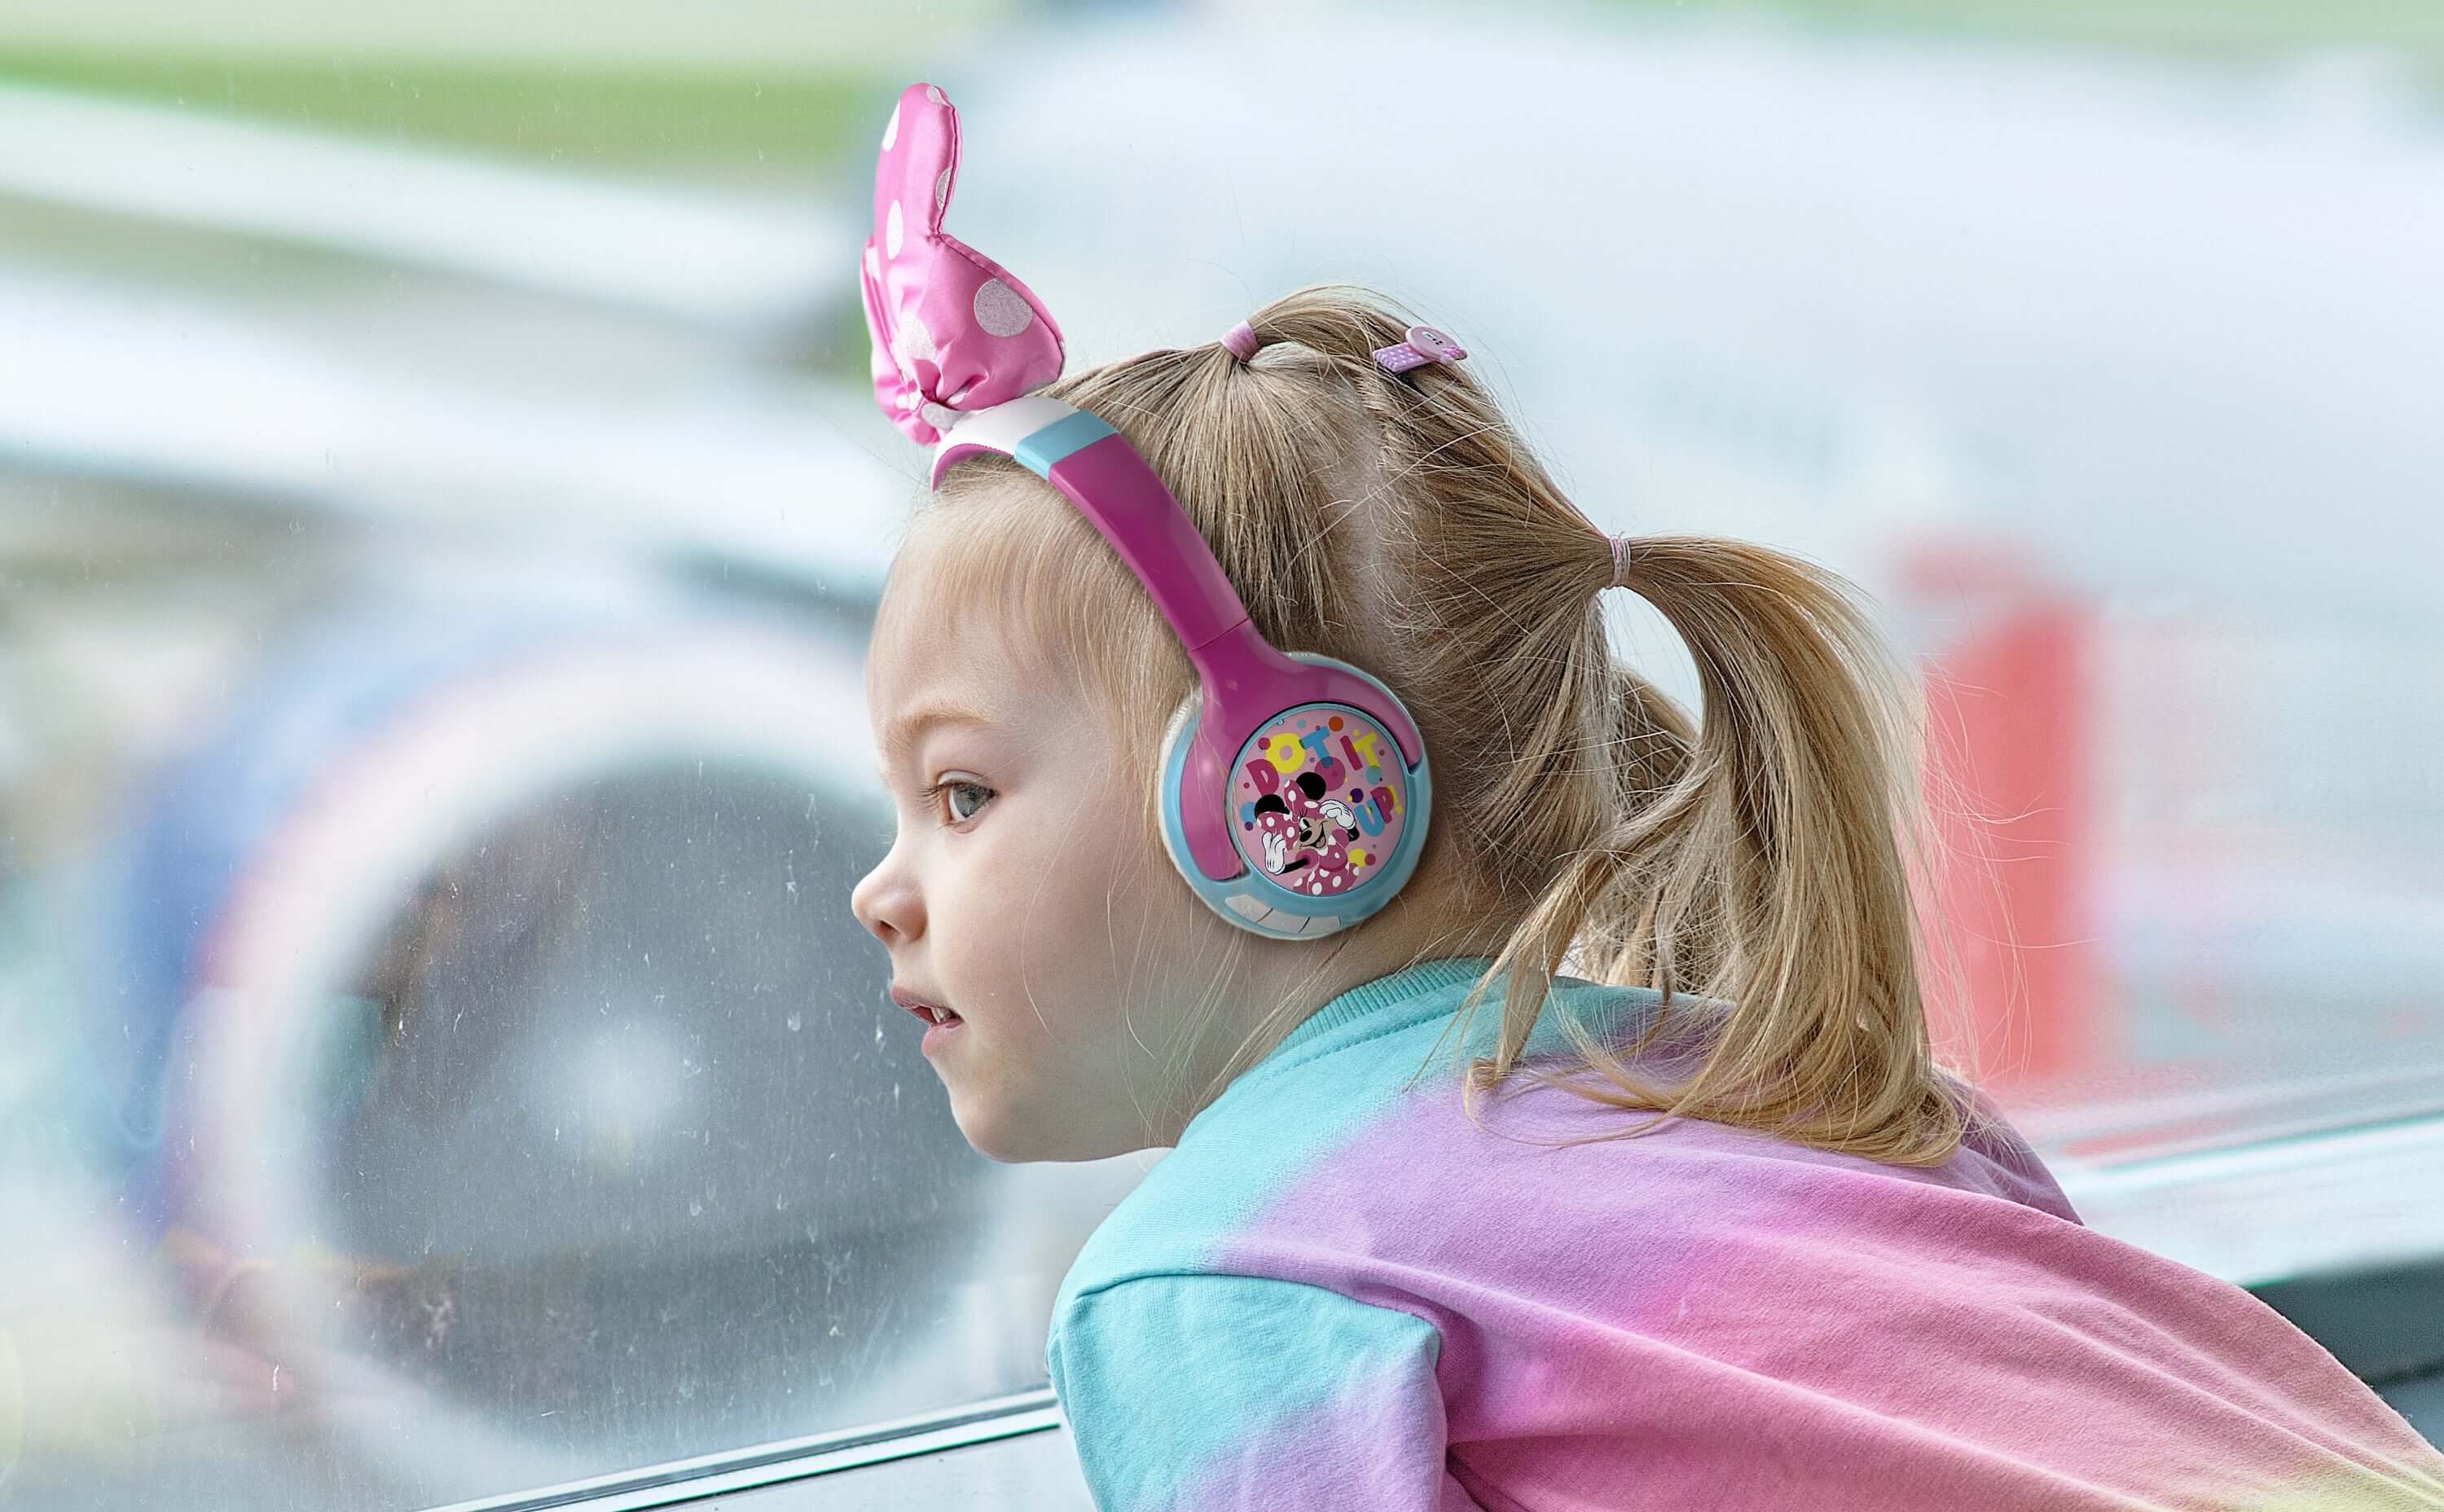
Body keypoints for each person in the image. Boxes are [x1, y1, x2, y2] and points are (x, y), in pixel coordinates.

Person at [846, 81, 2444, 1510]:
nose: (882, 885)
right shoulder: (1810, 1095)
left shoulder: (1222, 1278)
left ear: (1285, 795)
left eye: (965, 792)